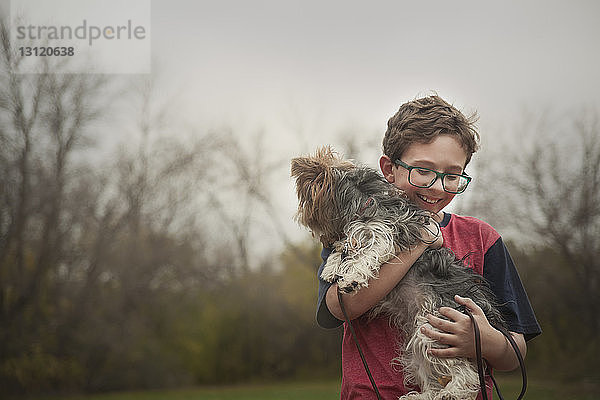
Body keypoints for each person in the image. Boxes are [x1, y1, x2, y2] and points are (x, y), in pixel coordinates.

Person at [315, 94, 541, 399]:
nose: (437, 187)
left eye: (452, 175)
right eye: (423, 170)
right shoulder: (355, 232)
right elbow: (342, 306)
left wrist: (484, 340)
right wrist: (419, 240)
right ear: (388, 169)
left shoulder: (481, 238)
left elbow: (516, 353)